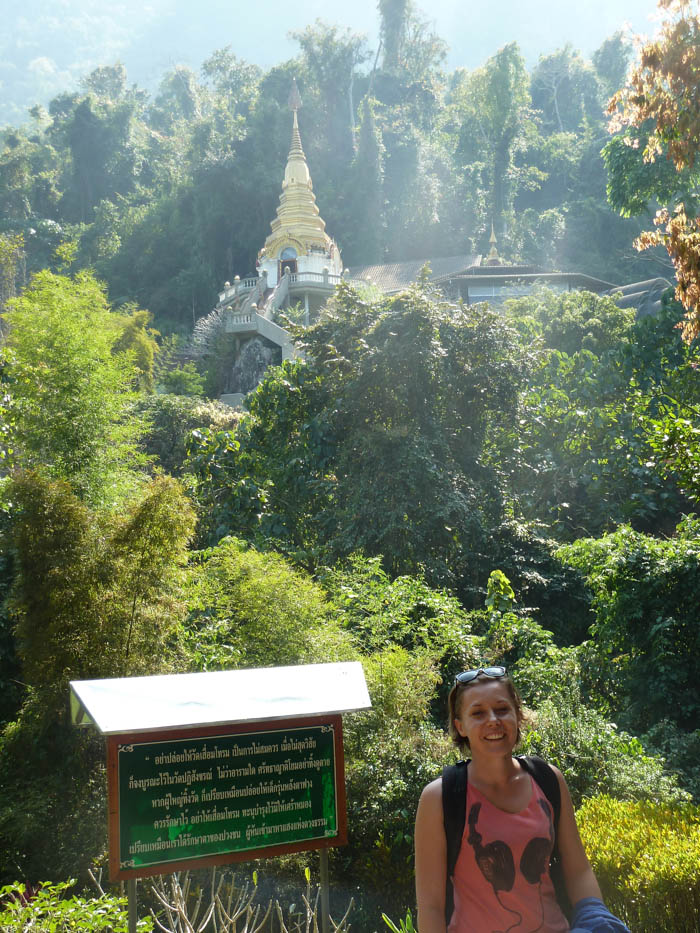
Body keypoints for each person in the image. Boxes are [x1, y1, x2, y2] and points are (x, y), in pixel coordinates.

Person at [414, 666, 630, 933]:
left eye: (502, 709)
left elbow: (579, 870)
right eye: (478, 713)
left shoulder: (547, 780)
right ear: (461, 726)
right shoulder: (440, 798)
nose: (493, 720)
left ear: (517, 715)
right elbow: (431, 906)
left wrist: (595, 918)